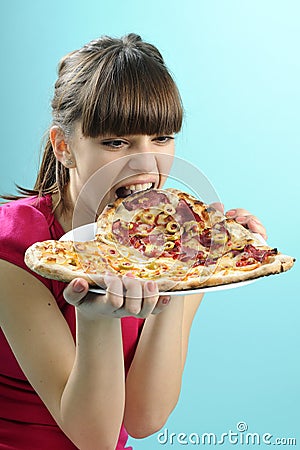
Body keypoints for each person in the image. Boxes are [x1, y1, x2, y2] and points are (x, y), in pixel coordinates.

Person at [0, 33, 267, 450]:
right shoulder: (12, 252)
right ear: (64, 147)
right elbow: (95, 438)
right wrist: (95, 319)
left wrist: (190, 267)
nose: (146, 163)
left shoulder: (177, 245)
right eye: (116, 142)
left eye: (161, 138)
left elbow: (145, 417)